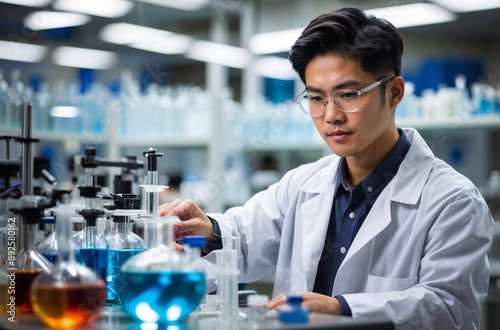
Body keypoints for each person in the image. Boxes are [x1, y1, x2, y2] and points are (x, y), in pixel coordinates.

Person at [159, 6, 493, 329]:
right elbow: (245, 239)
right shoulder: (303, 183)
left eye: (348, 94)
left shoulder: (453, 200)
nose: (331, 115)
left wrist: (342, 309)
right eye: (316, 98)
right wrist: (211, 231)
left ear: (394, 93)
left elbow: (448, 307)